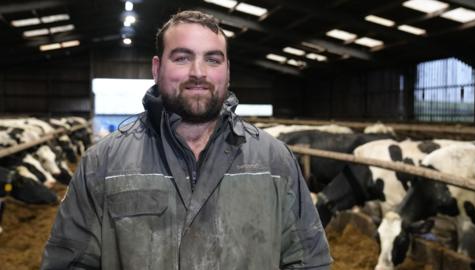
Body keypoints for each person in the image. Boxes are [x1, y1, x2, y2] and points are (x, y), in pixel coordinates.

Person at [41, 10, 332, 270]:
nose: (198, 73)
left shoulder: (274, 160)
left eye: (212, 59)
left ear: (227, 71)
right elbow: (69, 262)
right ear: (157, 69)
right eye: (182, 57)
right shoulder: (102, 162)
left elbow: (308, 260)